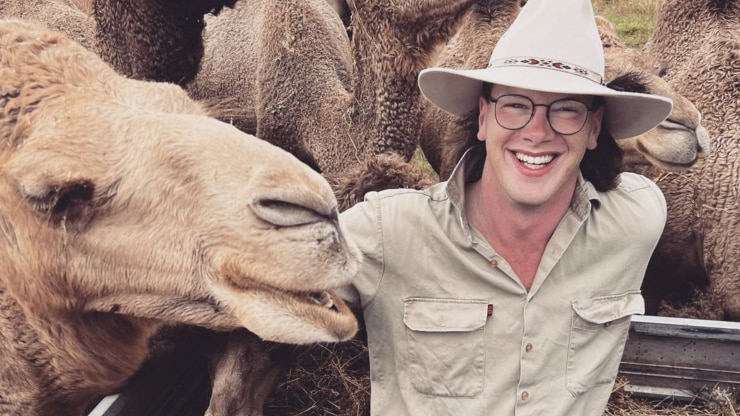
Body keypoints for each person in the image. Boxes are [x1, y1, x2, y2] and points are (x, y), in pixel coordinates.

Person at [338, 0, 673, 414]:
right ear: (483, 118)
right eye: (515, 104)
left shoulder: (636, 220)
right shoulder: (385, 231)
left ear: (594, 129)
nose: (536, 132)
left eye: (566, 109)